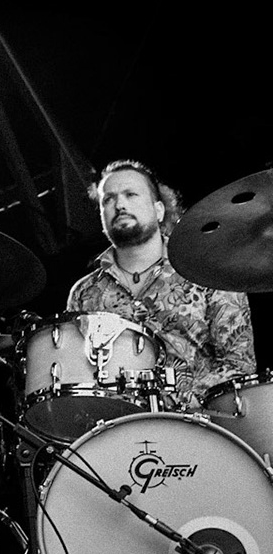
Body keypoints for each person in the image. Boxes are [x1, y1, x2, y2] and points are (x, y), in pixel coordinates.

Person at [65, 158, 256, 410]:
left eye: (130, 194)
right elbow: (78, 376)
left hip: (202, 426)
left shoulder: (206, 270)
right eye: (108, 200)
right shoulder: (84, 292)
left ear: (159, 210)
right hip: (119, 432)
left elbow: (239, 364)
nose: (119, 205)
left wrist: (174, 400)